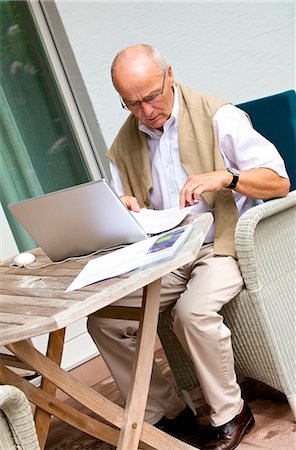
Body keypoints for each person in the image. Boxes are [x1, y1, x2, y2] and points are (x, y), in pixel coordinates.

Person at [87, 44, 290, 450]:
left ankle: (232, 412)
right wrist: (122, 209)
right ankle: (166, 413)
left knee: (191, 312)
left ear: (170, 75)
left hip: (224, 244)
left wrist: (227, 178)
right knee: (105, 321)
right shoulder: (123, 143)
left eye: (152, 96)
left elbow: (280, 182)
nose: (145, 110)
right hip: (167, 254)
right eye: (132, 103)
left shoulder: (220, 118)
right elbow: (124, 212)